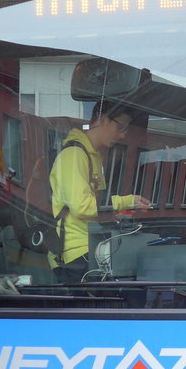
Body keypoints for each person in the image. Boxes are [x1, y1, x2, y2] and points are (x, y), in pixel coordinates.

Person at [48, 100, 150, 282]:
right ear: (102, 120)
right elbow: (82, 207)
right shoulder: (73, 156)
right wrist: (125, 202)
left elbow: (95, 207)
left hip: (91, 246)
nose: (122, 135)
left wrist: (115, 213)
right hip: (76, 255)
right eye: (121, 127)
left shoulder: (92, 156)